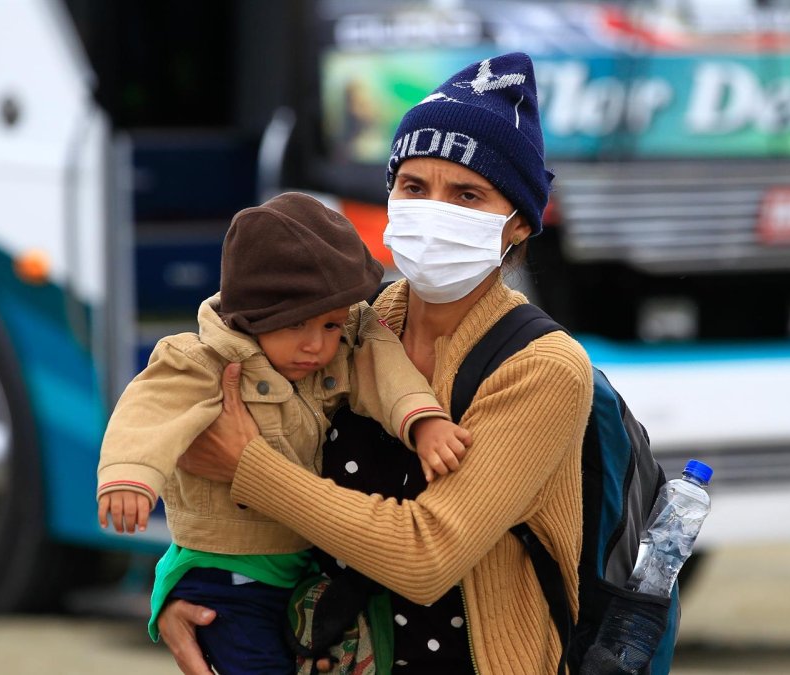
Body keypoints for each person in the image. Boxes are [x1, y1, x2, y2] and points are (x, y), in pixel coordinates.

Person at [158, 52, 595, 674]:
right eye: (414, 187)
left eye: (467, 195)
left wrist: (245, 465)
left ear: (519, 223)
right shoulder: (347, 326)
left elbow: (427, 557)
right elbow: (252, 460)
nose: (434, 210)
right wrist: (185, 587)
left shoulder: (543, 368)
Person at [96, 192, 472, 674]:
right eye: (295, 324)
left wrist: (424, 421)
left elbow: (385, 368)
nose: (316, 344)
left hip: (301, 568)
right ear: (250, 315)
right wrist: (129, 476)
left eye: (331, 324)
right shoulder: (201, 361)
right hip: (224, 570)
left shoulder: (342, 348)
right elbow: (147, 410)